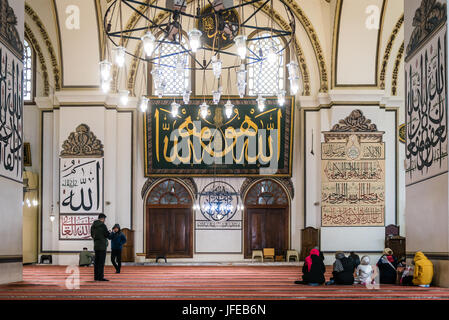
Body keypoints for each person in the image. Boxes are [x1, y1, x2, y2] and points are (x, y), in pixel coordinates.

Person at [90, 213, 111, 281]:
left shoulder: (93, 226)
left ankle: (96, 277)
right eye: (104, 219)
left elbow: (92, 235)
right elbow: (107, 235)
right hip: (102, 246)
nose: (104, 220)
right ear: (103, 218)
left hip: (96, 246)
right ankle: (100, 277)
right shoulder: (103, 225)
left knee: (96, 262)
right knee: (101, 263)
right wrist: (110, 233)